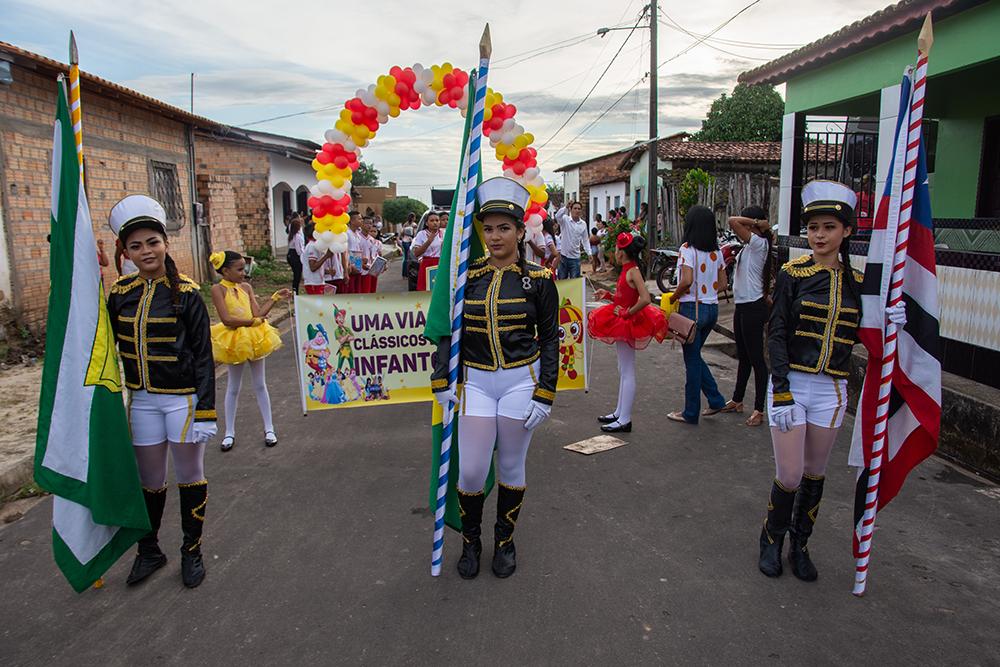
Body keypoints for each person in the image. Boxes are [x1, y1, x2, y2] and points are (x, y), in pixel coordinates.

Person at [758, 180, 906, 581]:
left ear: (846, 231)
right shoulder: (793, 273)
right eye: (813, 228)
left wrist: (889, 322)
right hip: (792, 386)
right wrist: (782, 388)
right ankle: (771, 539)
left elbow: (866, 332)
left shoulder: (860, 285)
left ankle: (799, 546)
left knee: (814, 474)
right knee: (788, 475)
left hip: (832, 390)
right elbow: (776, 332)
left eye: (828, 227)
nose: (819, 236)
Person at [430, 177, 559, 580]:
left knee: (510, 465)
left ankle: (505, 539)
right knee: (469, 470)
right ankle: (471, 539)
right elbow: (447, 332)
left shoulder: (539, 280)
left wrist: (545, 393)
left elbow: (551, 338)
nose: (495, 236)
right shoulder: (465, 278)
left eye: (505, 228)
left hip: (522, 382)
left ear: (521, 231)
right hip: (477, 384)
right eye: (488, 228)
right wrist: (442, 380)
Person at [106, 194, 216, 589]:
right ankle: (149, 550)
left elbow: (204, 357)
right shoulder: (119, 293)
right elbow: (100, 342)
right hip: (141, 402)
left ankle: (192, 550)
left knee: (190, 476)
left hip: (183, 401)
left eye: (152, 242)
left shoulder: (187, 293)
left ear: (166, 243)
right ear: (127, 252)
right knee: (149, 481)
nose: (146, 251)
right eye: (136, 245)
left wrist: (205, 410)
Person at [209, 251, 291, 451]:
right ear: (225, 271)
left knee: (260, 384)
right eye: (238, 269)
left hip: (254, 338)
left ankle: (269, 428)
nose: (243, 273)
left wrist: (274, 298)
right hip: (234, 339)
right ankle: (229, 432)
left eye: (243, 268)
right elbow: (227, 319)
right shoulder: (217, 289)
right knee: (233, 386)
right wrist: (251, 322)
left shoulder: (246, 287)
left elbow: (258, 314)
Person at [589, 232, 667, 433]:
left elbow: (645, 298)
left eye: (616, 248)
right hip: (622, 319)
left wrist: (627, 312)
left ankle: (625, 418)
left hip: (628, 321)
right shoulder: (626, 270)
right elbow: (625, 295)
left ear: (623, 253)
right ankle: (619, 412)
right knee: (623, 368)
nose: (614, 251)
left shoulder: (632, 271)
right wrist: (608, 295)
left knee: (627, 369)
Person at [666, 205, 728, 424]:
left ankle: (691, 412)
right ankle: (716, 399)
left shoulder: (687, 249)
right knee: (695, 357)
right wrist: (708, 291)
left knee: (691, 362)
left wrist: (673, 298)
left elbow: (686, 280)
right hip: (711, 309)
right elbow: (723, 284)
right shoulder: (717, 252)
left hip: (692, 309)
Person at [719, 206, 773, 427]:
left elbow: (732, 220)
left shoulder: (760, 244)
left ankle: (759, 409)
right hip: (742, 305)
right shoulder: (748, 248)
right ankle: (738, 399)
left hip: (753, 306)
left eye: (750, 223)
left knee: (757, 360)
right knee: (744, 356)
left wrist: (756, 223)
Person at [553, 201, 589, 279]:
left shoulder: (583, 224)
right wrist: (565, 207)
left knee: (574, 282)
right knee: (562, 282)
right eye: (575, 208)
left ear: (581, 211)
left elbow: (585, 239)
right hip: (563, 257)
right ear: (571, 210)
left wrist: (589, 253)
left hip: (575, 258)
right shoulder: (565, 220)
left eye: (579, 209)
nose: (577, 210)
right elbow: (557, 216)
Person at [411, 210, 443, 291]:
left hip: (441, 264)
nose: (435, 223)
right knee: (426, 290)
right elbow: (416, 253)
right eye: (432, 220)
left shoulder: (444, 233)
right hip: (427, 264)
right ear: (426, 223)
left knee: (439, 290)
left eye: (437, 220)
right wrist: (429, 241)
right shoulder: (421, 234)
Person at [347, 211, 366, 294]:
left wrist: (362, 260)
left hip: (358, 264)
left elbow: (358, 250)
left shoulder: (358, 234)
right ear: (352, 221)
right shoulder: (347, 233)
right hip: (350, 266)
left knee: (358, 291)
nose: (361, 220)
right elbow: (346, 251)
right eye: (359, 219)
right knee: (351, 291)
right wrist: (350, 265)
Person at [286, 214, 305, 294]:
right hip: (295, 256)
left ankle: (295, 291)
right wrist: (303, 256)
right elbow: (298, 250)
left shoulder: (291, 235)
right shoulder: (297, 236)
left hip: (291, 254)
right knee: (297, 275)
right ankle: (295, 292)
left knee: (296, 274)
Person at [401, 212, 416, 277]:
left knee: (405, 258)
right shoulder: (414, 225)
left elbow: (401, 233)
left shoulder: (405, 224)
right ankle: (409, 274)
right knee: (410, 258)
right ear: (413, 218)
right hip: (410, 241)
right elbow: (415, 234)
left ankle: (404, 274)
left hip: (404, 241)